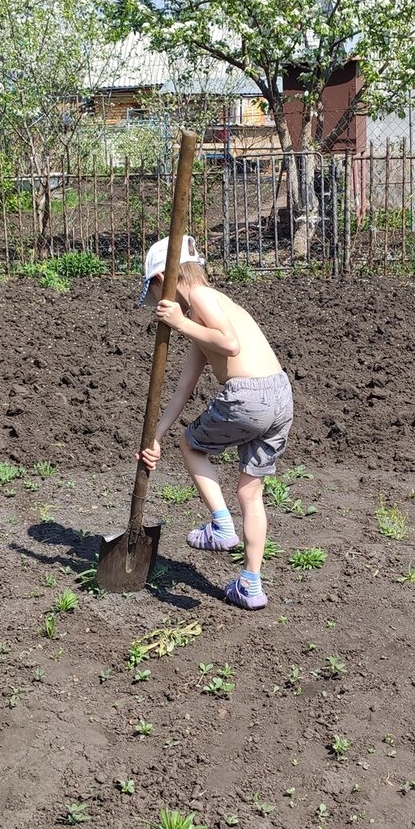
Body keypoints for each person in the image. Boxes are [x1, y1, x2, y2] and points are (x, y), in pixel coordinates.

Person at [135, 235, 294, 610]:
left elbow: (230, 345)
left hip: (249, 396)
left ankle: (221, 525)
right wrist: (155, 435)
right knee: (249, 494)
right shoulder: (205, 317)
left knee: (192, 446)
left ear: (164, 279)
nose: (157, 303)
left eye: (155, 292)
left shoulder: (203, 297)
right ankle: (251, 584)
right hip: (280, 398)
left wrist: (178, 321)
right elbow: (183, 390)